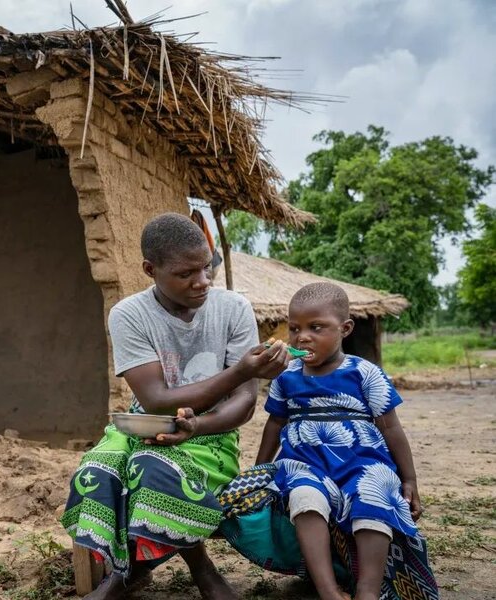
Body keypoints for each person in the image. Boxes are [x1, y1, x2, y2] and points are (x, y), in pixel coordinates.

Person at [60, 213, 290, 600]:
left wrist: (198, 426)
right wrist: (239, 372)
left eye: (206, 269)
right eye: (186, 274)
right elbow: (155, 400)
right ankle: (122, 573)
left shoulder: (232, 309)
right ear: (151, 270)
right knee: (98, 470)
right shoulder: (130, 315)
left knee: (154, 468)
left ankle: (194, 572)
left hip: (212, 433)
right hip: (143, 424)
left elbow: (246, 403)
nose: (202, 281)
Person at [227, 282, 438, 600]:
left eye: (316, 327)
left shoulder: (365, 373)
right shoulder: (287, 376)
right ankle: (327, 588)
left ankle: (368, 589)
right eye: (295, 328)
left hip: (362, 461)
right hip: (303, 462)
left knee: (374, 495)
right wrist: (262, 468)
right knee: (305, 498)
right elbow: (275, 423)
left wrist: (409, 479)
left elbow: (391, 428)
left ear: (345, 328)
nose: (302, 337)